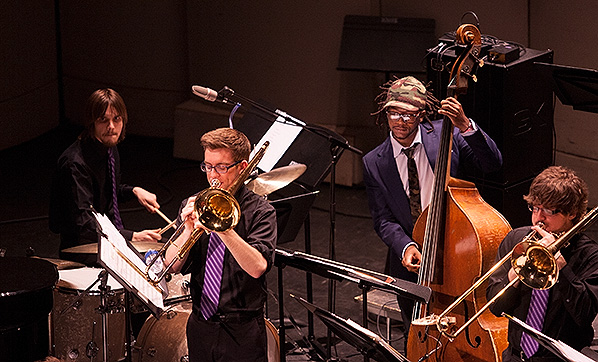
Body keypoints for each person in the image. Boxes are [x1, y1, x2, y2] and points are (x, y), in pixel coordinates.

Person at [362, 76, 503, 337]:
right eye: (394, 113)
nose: (401, 121)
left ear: (422, 114)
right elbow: (383, 219)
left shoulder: (445, 133)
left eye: (409, 114)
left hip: (456, 250)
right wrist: (405, 245)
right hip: (410, 261)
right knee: (415, 332)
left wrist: (464, 125)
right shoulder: (374, 162)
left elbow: (492, 163)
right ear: (385, 113)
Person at [165, 127, 277, 362]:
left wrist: (224, 229)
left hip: (242, 331)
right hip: (200, 325)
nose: (213, 176)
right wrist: (186, 229)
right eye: (208, 166)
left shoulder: (261, 211)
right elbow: (170, 266)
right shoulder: (195, 204)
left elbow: (257, 267)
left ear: (243, 167)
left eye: (222, 167)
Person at [487, 166, 598, 361]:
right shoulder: (516, 240)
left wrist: (561, 269)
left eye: (548, 210)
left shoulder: (590, 255)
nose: (539, 218)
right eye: (535, 208)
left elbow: (584, 315)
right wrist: (513, 278)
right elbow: (495, 308)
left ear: (571, 213)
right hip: (515, 357)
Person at [50, 88, 162, 262]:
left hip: (108, 238)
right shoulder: (75, 164)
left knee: (157, 260)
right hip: (82, 247)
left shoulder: (109, 149)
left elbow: (108, 192)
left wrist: (134, 191)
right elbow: (84, 223)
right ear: (91, 122)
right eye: (103, 120)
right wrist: (131, 236)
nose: (111, 127)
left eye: (116, 119)